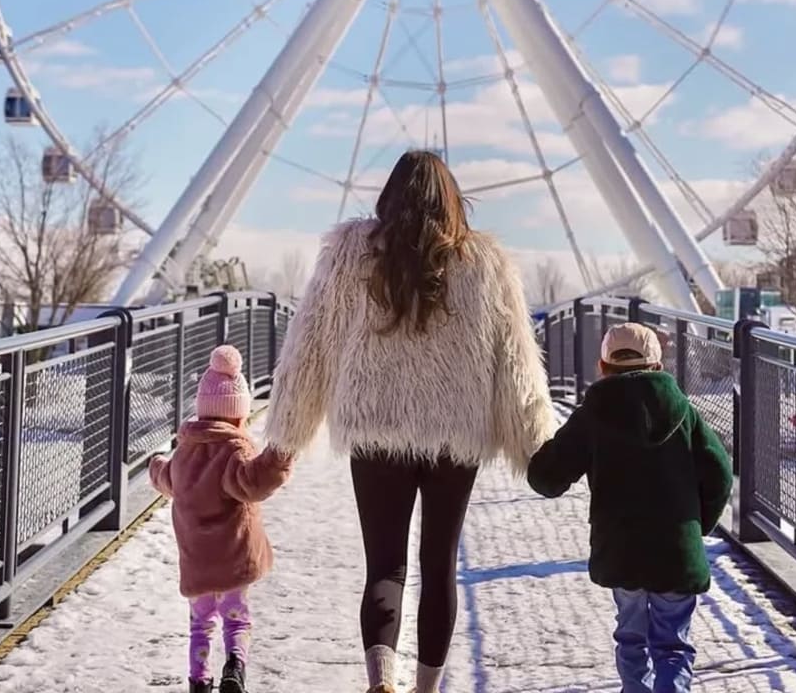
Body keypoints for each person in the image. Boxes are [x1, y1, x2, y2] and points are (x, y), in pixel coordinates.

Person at [264, 150, 552, 693]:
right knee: (439, 564)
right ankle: (426, 688)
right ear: (453, 200)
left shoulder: (347, 255)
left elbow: (308, 347)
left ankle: (381, 680)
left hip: (375, 427)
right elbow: (516, 361)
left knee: (385, 567)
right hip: (454, 433)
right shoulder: (486, 263)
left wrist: (285, 435)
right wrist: (540, 448)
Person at [526, 322, 732, 693]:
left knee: (631, 638)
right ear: (657, 366)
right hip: (676, 552)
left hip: (621, 552)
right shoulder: (684, 411)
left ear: (603, 366)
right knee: (673, 646)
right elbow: (719, 471)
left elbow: (546, 477)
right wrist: (699, 525)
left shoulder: (592, 413)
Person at [150, 345, 293, 693]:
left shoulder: (185, 453)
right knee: (236, 619)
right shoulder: (235, 450)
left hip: (197, 559)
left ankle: (199, 680)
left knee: (200, 624)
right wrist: (280, 455)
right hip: (233, 557)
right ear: (239, 414)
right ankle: (234, 668)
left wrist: (154, 464)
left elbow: (165, 478)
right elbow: (254, 482)